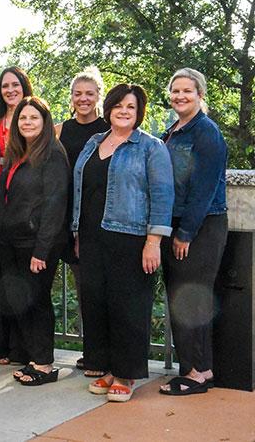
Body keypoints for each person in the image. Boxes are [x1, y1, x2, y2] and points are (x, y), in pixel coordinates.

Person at [72, 83, 174, 402]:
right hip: (90, 237)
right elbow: (81, 189)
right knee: (96, 304)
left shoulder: (151, 147)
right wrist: (76, 233)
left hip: (130, 239)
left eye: (130, 107)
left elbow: (162, 195)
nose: (124, 111)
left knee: (128, 308)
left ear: (138, 112)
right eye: (118, 106)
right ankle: (103, 368)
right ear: (109, 109)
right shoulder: (93, 142)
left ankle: (126, 374)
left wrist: (153, 241)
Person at [159, 68, 228, 396]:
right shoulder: (172, 131)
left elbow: (203, 188)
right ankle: (195, 368)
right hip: (175, 223)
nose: (180, 96)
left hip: (200, 227)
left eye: (187, 91)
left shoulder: (206, 132)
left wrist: (185, 232)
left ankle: (198, 373)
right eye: (176, 91)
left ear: (200, 94)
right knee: (179, 297)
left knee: (192, 298)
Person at [0, 96, 69, 386]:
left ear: (45, 122)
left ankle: (44, 364)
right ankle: (33, 358)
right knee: (23, 301)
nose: (27, 123)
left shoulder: (52, 154)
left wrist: (42, 249)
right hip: (13, 240)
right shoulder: (19, 153)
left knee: (37, 302)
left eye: (34, 118)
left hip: (36, 244)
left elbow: (54, 206)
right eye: (23, 118)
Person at [54, 67, 109, 374]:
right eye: (78, 94)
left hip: (95, 220)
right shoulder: (60, 130)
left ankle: (98, 356)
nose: (84, 99)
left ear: (99, 96)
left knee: (94, 289)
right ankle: (90, 351)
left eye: (90, 93)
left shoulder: (107, 129)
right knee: (82, 289)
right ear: (72, 97)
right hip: (63, 219)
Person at [0, 66, 34, 366]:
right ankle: (3, 345)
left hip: (24, 208)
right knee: (1, 279)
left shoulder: (33, 119)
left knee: (23, 282)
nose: (10, 90)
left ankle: (26, 347)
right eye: (5, 86)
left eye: (15, 85)